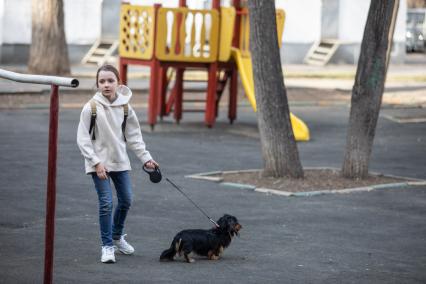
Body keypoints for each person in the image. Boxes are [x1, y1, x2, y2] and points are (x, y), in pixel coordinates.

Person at [77, 64, 158, 263]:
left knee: (127, 200)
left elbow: (134, 137)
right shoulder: (91, 108)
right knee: (106, 203)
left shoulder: (125, 108)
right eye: (102, 81)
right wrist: (96, 163)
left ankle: (116, 235)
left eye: (110, 80)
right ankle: (107, 246)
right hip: (99, 165)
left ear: (118, 83)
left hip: (120, 161)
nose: (106, 84)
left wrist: (146, 158)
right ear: (97, 84)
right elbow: (83, 139)